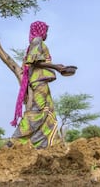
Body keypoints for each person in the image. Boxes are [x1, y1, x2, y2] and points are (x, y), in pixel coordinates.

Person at [9, 20, 72, 149]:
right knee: (37, 111)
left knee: (48, 111)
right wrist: (56, 67)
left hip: (41, 81)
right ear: (40, 31)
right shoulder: (37, 41)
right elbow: (35, 62)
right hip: (39, 81)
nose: (47, 35)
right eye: (46, 32)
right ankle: (14, 141)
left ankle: (45, 146)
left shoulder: (35, 42)